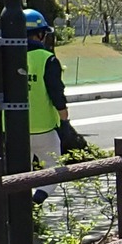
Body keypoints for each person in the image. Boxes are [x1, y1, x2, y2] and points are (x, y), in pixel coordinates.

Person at [24, 10, 72, 166]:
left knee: (18, 176)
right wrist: (63, 115)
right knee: (53, 170)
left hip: (13, 127)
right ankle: (41, 192)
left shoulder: (5, 56)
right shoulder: (47, 59)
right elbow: (55, 91)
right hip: (43, 127)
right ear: (39, 35)